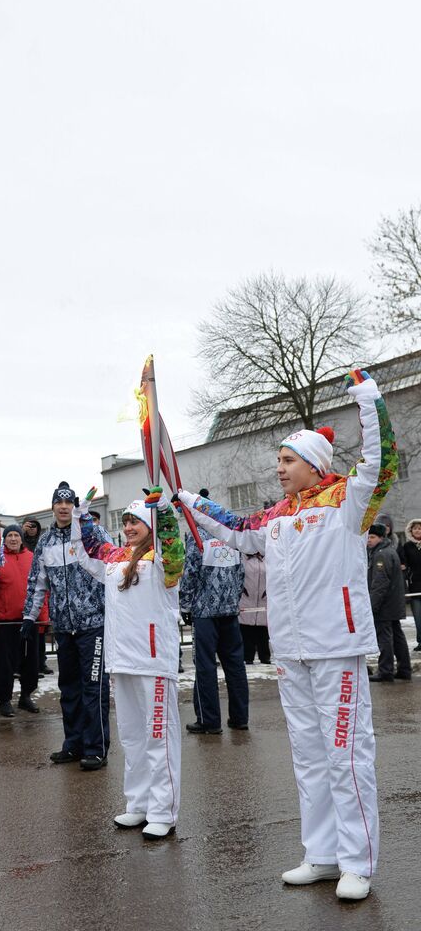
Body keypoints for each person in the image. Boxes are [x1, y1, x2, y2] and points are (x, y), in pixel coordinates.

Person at [177, 369, 398, 902]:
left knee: (347, 753)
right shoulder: (276, 518)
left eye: (286, 460)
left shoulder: (347, 501)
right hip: (292, 650)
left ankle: (357, 862)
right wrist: (183, 497)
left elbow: (382, 462)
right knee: (308, 754)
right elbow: (231, 526)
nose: (278, 470)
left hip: (336, 647)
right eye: (277, 461)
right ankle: (321, 854)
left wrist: (368, 399)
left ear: (314, 465)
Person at [76, 488, 184, 838]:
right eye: (125, 521)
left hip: (153, 660)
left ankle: (163, 811)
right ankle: (138, 804)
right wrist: (82, 514)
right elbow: (90, 548)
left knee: (158, 738)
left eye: (136, 521)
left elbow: (174, 544)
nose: (129, 526)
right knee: (132, 737)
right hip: (121, 659)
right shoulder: (115, 557)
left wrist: (165, 512)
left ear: (150, 524)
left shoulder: (164, 558)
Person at [22, 482, 110, 770]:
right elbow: (37, 583)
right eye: (58, 504)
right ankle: (73, 744)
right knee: (69, 688)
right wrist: (29, 617)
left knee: (93, 687)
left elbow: (112, 560)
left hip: (93, 623)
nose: (63, 508)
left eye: (68, 503)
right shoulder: (45, 543)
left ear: (73, 506)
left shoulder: (89, 534)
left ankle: (96, 748)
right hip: (64, 626)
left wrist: (87, 523)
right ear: (52, 508)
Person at [179, 489, 249, 735]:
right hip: (229, 612)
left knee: (205, 667)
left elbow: (190, 573)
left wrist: (185, 604)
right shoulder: (228, 534)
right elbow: (242, 572)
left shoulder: (197, 535)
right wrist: (233, 599)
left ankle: (209, 720)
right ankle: (240, 717)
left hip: (205, 613)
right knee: (235, 665)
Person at [0, 524, 44, 716]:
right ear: (4, 539)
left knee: (31, 661)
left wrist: (41, 616)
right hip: (6, 620)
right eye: (10, 536)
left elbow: (42, 586)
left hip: (29, 619)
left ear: (21, 539)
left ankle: (26, 696)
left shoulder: (32, 558)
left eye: (17, 535)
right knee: (5, 663)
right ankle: (4, 700)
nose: (14, 539)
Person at [366, 524, 411, 683]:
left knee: (384, 638)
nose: (369, 540)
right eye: (368, 537)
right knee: (397, 636)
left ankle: (385, 671)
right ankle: (404, 669)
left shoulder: (381, 554)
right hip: (393, 603)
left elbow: (380, 584)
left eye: (372, 537)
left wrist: (372, 606)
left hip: (385, 605)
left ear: (381, 538)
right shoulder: (388, 551)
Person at [22, 518, 52, 676]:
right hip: (25, 588)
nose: (32, 529)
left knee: (41, 629)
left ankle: (41, 662)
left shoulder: (42, 543)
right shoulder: (21, 542)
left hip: (41, 587)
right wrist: (21, 532)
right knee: (28, 629)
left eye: (35, 526)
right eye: (29, 526)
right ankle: (29, 665)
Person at [239, 551, 271, 665]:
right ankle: (247, 656)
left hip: (263, 599)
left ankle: (265, 656)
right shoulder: (241, 558)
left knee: (263, 631)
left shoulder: (268, 558)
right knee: (246, 630)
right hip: (246, 598)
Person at [400, 518, 421, 651]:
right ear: (410, 531)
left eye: (420, 528)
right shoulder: (407, 546)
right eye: (415, 528)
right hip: (415, 587)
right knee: (418, 617)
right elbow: (404, 563)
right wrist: (404, 567)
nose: (417, 530)